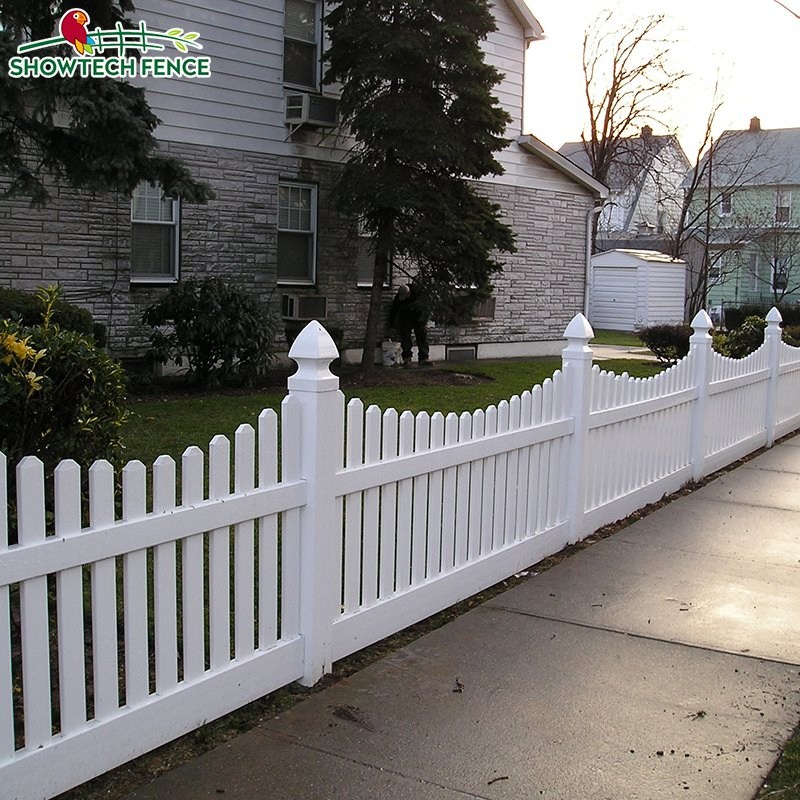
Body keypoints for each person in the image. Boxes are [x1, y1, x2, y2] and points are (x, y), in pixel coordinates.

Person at [388, 282, 432, 367]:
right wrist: (392, 324)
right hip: (405, 318)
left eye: (406, 297)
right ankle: (407, 358)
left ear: (409, 293)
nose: (404, 299)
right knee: (405, 338)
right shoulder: (399, 296)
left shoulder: (418, 293)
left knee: (422, 336)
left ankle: (423, 358)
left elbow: (425, 309)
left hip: (418, 318)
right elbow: (394, 310)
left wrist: (424, 322)